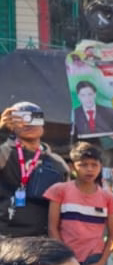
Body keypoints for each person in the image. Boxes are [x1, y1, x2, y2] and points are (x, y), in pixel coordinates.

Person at [44, 141, 113, 265]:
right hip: (65, 258)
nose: (89, 169)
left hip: (94, 260)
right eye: (84, 164)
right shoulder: (59, 190)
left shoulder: (107, 197)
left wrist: (102, 262)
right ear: (72, 167)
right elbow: (52, 227)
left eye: (94, 165)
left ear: (100, 167)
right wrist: (63, 257)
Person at [0, 102, 69, 239]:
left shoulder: (58, 162)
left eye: (34, 118)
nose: (28, 124)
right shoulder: (3, 153)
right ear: (12, 125)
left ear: (43, 125)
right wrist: (1, 130)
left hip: (42, 238)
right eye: (21, 118)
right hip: (5, 236)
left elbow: (66, 204)